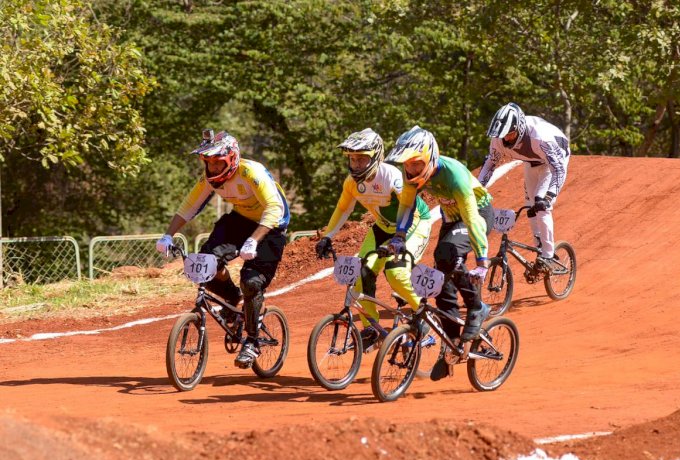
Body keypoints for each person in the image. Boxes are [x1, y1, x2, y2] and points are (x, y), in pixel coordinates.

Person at [156, 129, 290, 369]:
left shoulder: (251, 172)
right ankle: (231, 297)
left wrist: (254, 240)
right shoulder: (209, 179)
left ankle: (253, 341)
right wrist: (168, 234)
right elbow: (189, 206)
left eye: (218, 163)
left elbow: (274, 208)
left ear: (232, 158)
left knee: (251, 282)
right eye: (208, 163)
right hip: (239, 221)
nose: (213, 168)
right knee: (205, 265)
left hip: (272, 225)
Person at [387, 125, 493, 380]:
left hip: (477, 215)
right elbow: (406, 205)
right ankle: (452, 344)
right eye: (407, 165)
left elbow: (472, 219)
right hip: (451, 219)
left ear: (431, 156)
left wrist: (481, 260)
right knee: (440, 276)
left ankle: (477, 307)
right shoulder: (411, 176)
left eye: (416, 164)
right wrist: (399, 236)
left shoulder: (454, 175)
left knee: (448, 254)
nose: (411, 170)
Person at [315, 128, 432, 351]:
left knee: (396, 274)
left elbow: (409, 206)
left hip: (413, 224)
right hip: (381, 227)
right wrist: (327, 236)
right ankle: (371, 328)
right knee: (362, 272)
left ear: (376, 156)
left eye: (362, 159)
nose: (357, 165)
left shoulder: (391, 176)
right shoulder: (351, 183)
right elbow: (342, 209)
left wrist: (399, 239)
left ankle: (423, 318)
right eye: (353, 159)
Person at [477, 103, 570, 269]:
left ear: (519, 128)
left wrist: (549, 197)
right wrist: (475, 192)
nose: (506, 139)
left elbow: (559, 170)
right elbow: (490, 165)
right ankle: (539, 246)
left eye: (510, 134)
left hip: (555, 160)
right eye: (503, 135)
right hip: (531, 161)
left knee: (541, 204)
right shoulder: (498, 140)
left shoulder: (540, 138)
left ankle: (549, 255)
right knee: (530, 207)